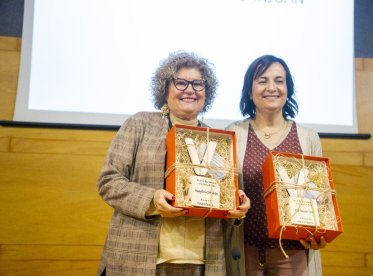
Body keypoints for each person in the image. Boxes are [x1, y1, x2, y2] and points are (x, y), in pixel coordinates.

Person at [97, 51, 250, 276]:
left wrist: (236, 208)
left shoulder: (217, 140)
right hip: (139, 259)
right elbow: (108, 181)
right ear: (165, 88)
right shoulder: (140, 124)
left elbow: (224, 197)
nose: (190, 89)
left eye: (198, 84)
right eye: (181, 82)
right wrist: (152, 199)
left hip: (202, 262)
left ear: (207, 92)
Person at [225, 55, 327, 276]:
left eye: (279, 81)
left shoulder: (308, 137)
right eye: (262, 80)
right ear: (250, 91)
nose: (271, 87)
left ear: (287, 89)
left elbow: (321, 199)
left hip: (294, 253)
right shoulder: (233, 132)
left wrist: (320, 232)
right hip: (245, 250)